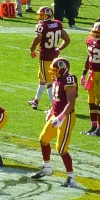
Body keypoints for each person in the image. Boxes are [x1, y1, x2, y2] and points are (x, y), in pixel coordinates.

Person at [31, 57, 80, 188]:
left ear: (63, 69)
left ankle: (72, 179)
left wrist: (60, 117)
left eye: (55, 69)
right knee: (43, 139)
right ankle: (47, 168)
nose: (53, 72)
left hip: (66, 117)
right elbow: (57, 100)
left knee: (61, 149)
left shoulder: (69, 80)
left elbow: (71, 103)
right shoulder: (57, 79)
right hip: (56, 115)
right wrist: (51, 112)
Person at [29, 6, 70, 109]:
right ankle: (36, 100)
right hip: (54, 56)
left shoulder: (42, 26)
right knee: (42, 79)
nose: (40, 17)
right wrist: (59, 49)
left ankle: (55, 108)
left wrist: (32, 49)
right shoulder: (57, 23)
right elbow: (67, 40)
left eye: (42, 15)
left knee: (49, 83)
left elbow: (37, 38)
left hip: (45, 57)